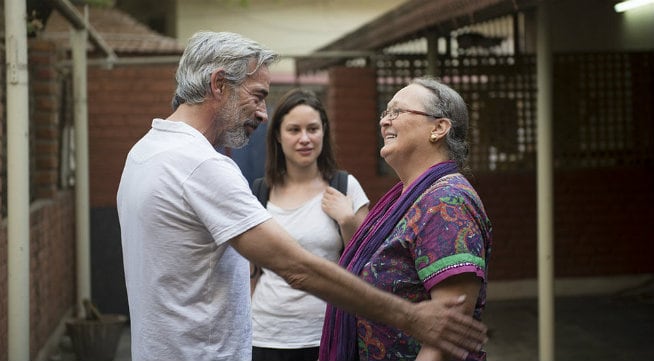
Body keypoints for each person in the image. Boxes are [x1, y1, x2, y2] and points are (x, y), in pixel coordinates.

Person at [116, 31, 487, 361]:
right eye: (259, 96)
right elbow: (295, 266)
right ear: (218, 85)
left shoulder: (143, 153)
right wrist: (409, 317)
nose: (263, 114)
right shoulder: (200, 165)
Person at [320, 77, 493, 361]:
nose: (385, 121)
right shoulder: (408, 198)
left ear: (438, 128)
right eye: (385, 113)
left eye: (397, 112)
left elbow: (448, 334)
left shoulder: (446, 202)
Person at [249, 88, 370, 361]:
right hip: (266, 335)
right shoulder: (260, 192)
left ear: (323, 132)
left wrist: (347, 221)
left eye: (313, 129)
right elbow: (251, 273)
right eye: (294, 130)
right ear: (278, 136)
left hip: (328, 334)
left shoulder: (345, 187)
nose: (305, 138)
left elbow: (368, 266)